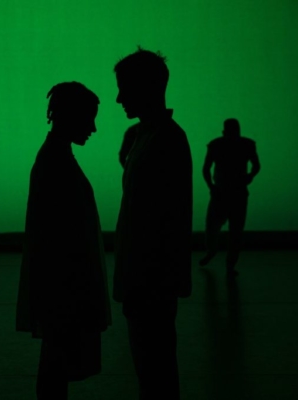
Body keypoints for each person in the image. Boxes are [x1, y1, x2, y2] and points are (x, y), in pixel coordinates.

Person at [16, 82, 112, 400]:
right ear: (71, 116)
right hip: (63, 286)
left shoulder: (54, 157)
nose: (94, 128)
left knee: (55, 361)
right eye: (89, 118)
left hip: (61, 286)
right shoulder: (55, 162)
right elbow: (59, 236)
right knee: (57, 362)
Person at [113, 47, 193, 400]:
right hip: (144, 276)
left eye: (124, 89)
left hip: (150, 278)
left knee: (155, 368)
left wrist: (151, 278)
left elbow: (168, 218)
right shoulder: (143, 136)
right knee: (151, 367)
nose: (118, 98)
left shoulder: (165, 139)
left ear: (147, 88)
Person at [199, 118, 260, 276]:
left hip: (223, 192)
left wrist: (211, 186)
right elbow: (256, 166)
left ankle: (217, 255)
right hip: (233, 192)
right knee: (233, 230)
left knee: (217, 227)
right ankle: (227, 263)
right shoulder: (246, 144)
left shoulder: (217, 145)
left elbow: (206, 169)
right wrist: (249, 176)